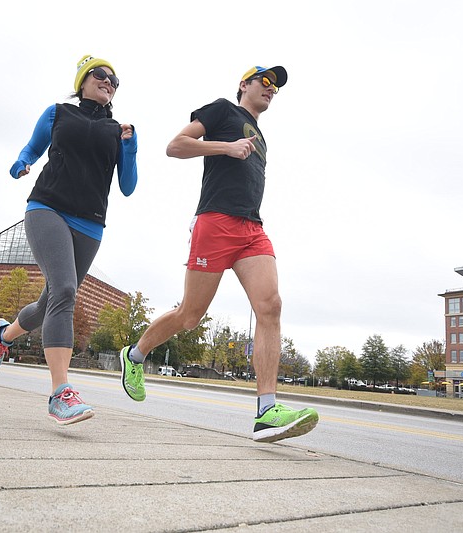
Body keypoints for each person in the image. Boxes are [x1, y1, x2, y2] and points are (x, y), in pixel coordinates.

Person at [119, 65, 318, 443]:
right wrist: (226, 147)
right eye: (265, 81)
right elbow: (175, 146)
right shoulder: (223, 110)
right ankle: (135, 354)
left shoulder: (261, 135)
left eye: (276, 86)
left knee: (271, 306)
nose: (271, 88)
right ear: (244, 84)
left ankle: (267, 411)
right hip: (215, 222)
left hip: (252, 229)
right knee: (190, 316)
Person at [0, 54, 137, 426]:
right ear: (84, 79)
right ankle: (60, 393)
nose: (109, 81)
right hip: (47, 207)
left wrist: (129, 146)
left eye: (115, 80)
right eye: (102, 74)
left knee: (51, 299)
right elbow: (32, 148)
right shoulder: (57, 113)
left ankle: (4, 333)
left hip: (90, 224)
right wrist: (21, 164)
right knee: (66, 290)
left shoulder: (120, 129)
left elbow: (128, 187)